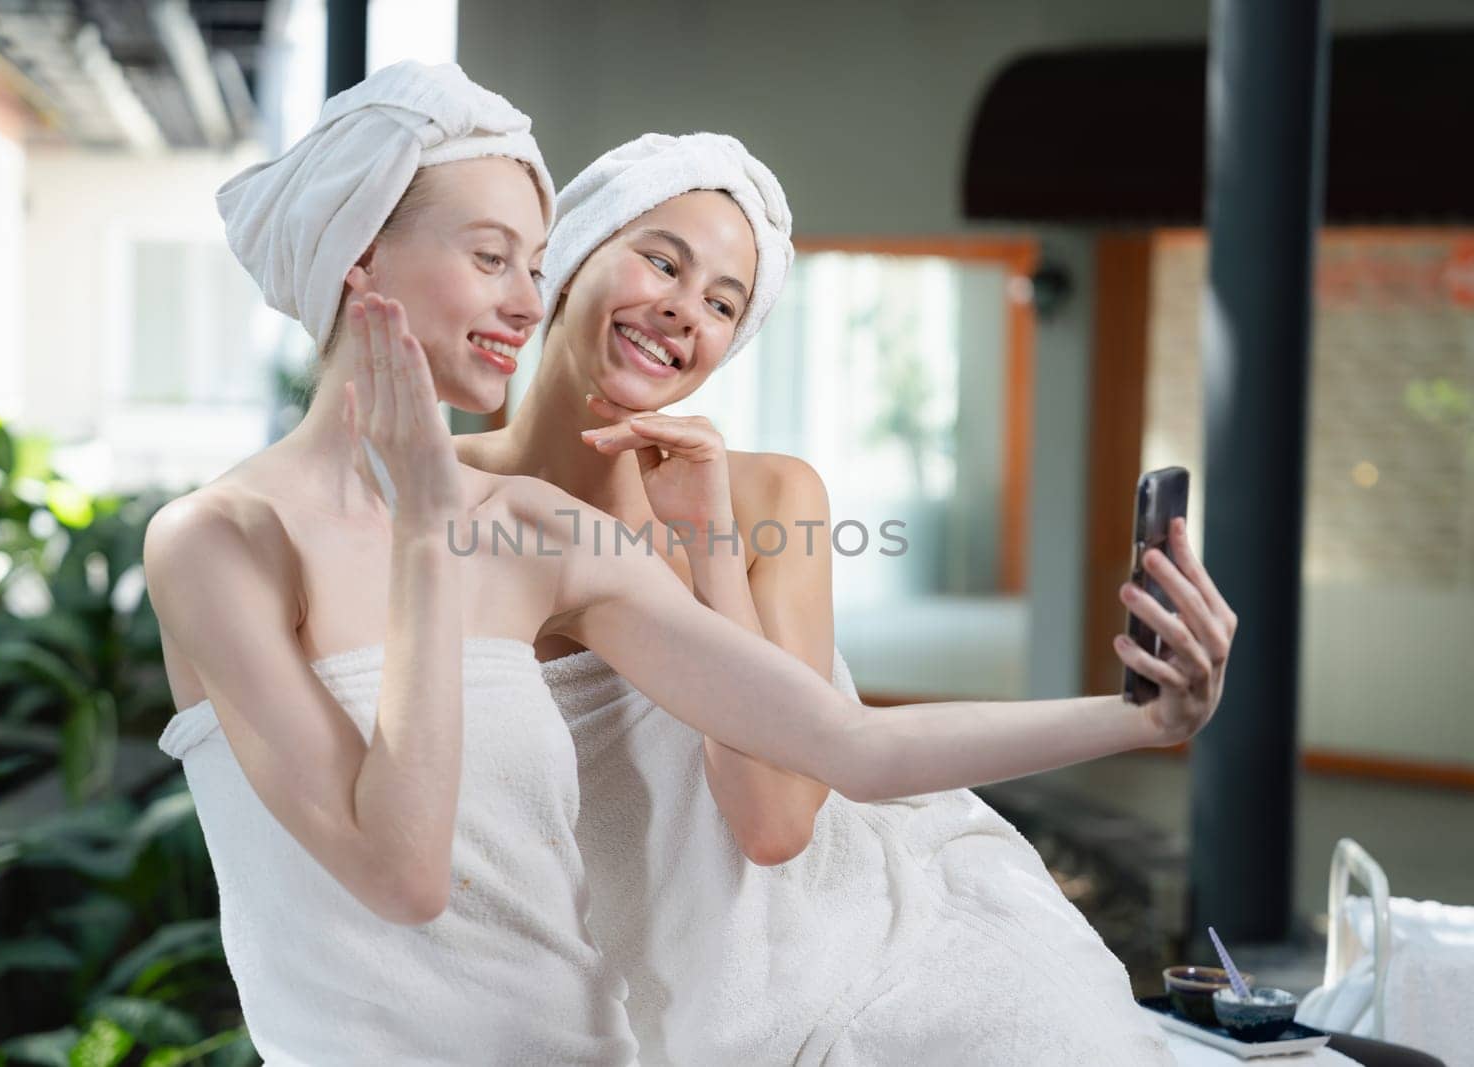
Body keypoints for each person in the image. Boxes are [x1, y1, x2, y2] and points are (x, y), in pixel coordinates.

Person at [148, 64, 1231, 1064]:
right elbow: (403, 874)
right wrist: (429, 532)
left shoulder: (536, 525)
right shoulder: (217, 540)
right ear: (359, 256)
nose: (523, 300)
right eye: (494, 259)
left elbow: (840, 745)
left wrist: (1141, 718)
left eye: (529, 261)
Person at [453, 132, 1215, 1065]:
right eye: (662, 259)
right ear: (568, 258)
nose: (684, 310)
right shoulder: (430, 498)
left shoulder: (770, 499)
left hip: (849, 951)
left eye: (724, 303)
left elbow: (775, 823)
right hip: (609, 990)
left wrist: (709, 547)